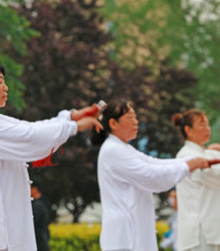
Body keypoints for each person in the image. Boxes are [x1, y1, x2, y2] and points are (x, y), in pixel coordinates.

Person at [0, 60, 102, 251]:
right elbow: (31, 138)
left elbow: (29, 128)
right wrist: (75, 126)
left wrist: (70, 117)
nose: (6, 87)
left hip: (3, 230)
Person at [91, 98, 209, 251]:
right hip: (126, 236)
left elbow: (153, 163)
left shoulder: (122, 148)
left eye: (135, 117)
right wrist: (188, 165)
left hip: (132, 232)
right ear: (114, 124)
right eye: (130, 117)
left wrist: (191, 162)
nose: (136, 121)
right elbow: (151, 176)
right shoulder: (114, 150)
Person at [173, 109, 220, 251]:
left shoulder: (206, 153)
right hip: (199, 235)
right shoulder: (187, 156)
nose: (207, 129)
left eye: (207, 124)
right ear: (188, 130)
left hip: (209, 232)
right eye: (201, 124)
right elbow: (216, 176)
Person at [31, 180, 50, 251]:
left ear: (35, 189)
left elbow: (32, 222)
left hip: (39, 241)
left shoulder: (38, 205)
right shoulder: (39, 203)